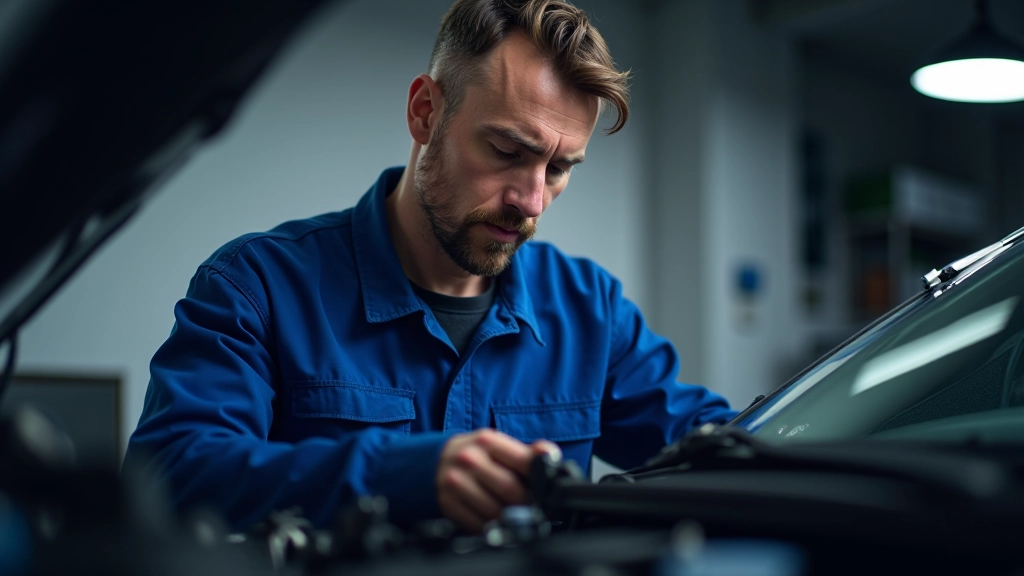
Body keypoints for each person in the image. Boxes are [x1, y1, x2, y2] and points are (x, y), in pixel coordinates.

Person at [124, 0, 736, 533]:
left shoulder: (590, 308)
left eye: (558, 168)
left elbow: (717, 446)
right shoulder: (257, 286)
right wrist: (393, 473)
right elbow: (170, 475)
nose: (530, 200)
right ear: (424, 112)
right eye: (506, 151)